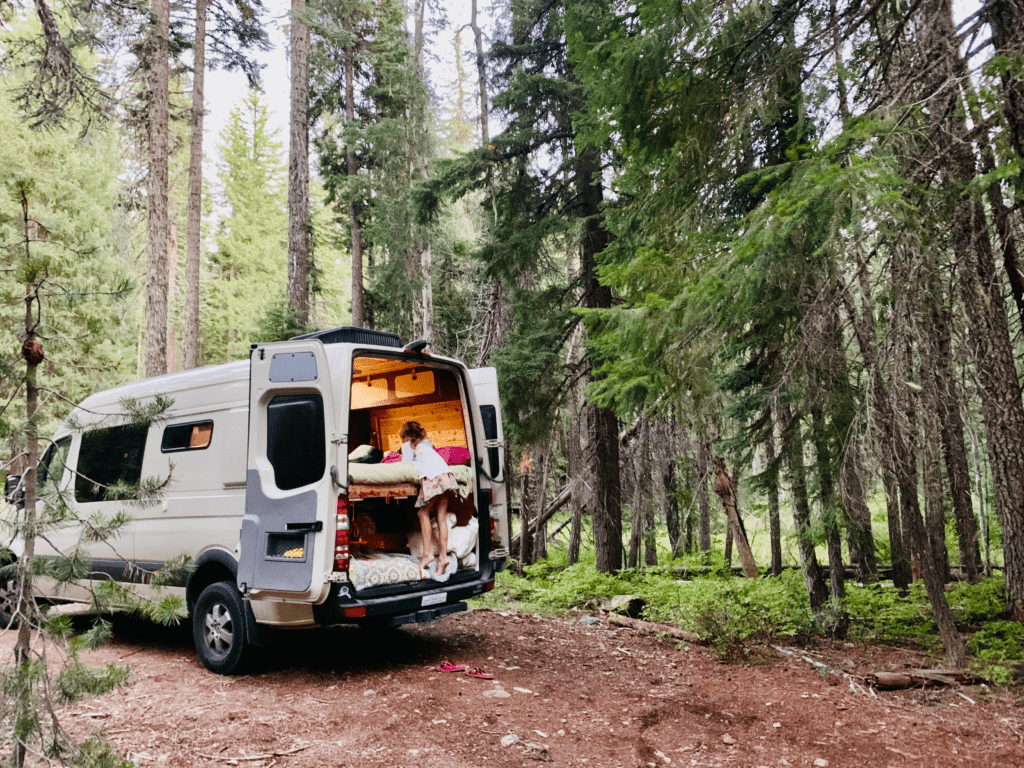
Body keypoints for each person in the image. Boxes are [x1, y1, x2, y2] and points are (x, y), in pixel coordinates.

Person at [399, 421, 459, 580]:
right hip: (446, 475)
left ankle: (427, 554)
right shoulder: (427, 445)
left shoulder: (408, 446)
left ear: (406, 436)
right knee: (441, 516)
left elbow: (405, 466)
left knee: (422, 513)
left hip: (433, 478)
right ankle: (444, 558)